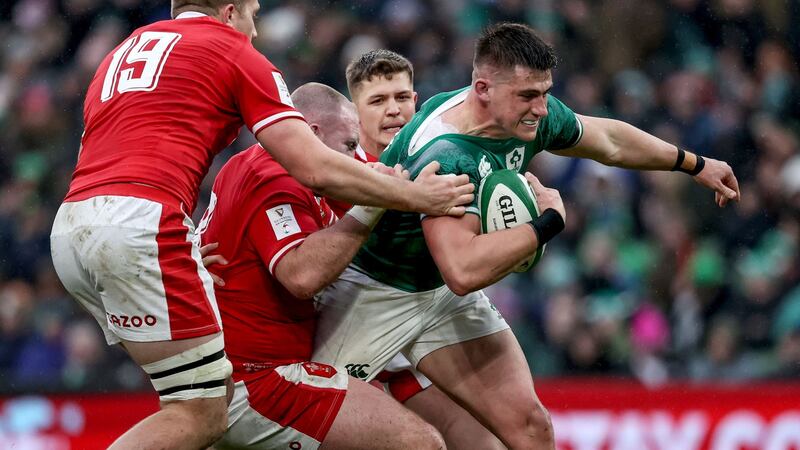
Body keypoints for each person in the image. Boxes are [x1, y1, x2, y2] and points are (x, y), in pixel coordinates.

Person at [49, 1, 472, 449]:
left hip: (75, 224)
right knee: (201, 411)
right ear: (230, 12)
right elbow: (313, 167)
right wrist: (415, 196)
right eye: (253, 14)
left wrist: (177, 247)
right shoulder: (233, 52)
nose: (254, 31)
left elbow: (121, 156)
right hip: (145, 228)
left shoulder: (122, 51)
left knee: (195, 403)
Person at [312, 23, 741, 450]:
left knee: (531, 427)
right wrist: (547, 223)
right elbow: (463, 270)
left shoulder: (522, 116)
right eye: (528, 96)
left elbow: (609, 140)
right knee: (304, 430)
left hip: (437, 293)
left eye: (544, 93)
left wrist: (695, 164)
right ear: (483, 89)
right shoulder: (447, 155)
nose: (541, 108)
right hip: (375, 292)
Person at [200, 82, 443, 449]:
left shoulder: (267, 163)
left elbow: (376, 177)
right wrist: (373, 204)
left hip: (245, 372)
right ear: (312, 134)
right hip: (260, 381)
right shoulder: (272, 177)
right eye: (349, 145)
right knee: (419, 443)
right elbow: (301, 276)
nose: (356, 156)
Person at [342, 49, 504, 450]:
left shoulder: (447, 162)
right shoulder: (337, 173)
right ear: (354, 111)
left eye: (402, 97)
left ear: (416, 101)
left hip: (420, 336)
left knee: (487, 441)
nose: (393, 110)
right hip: (350, 338)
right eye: (377, 101)